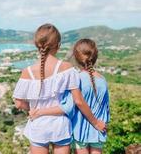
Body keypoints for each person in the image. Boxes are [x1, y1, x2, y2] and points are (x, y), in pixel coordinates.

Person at [13, 24, 105, 154]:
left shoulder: (27, 72)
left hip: (38, 125)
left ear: (37, 45)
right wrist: (95, 122)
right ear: (58, 45)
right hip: (60, 126)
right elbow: (78, 100)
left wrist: (35, 110)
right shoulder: (67, 68)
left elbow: (18, 103)